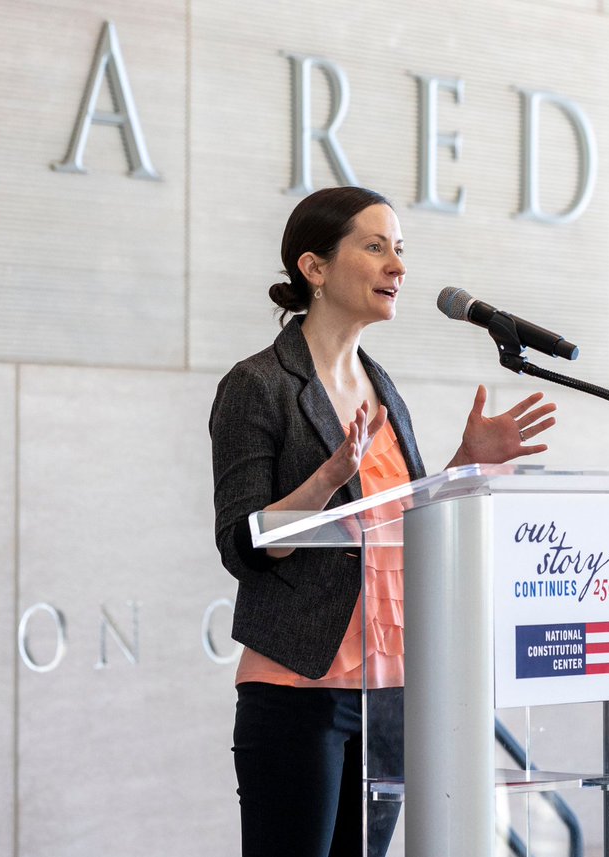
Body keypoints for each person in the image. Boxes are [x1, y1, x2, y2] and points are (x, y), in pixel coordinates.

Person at [209, 185, 557, 857]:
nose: (397, 266)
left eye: (399, 249)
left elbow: (401, 519)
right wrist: (327, 477)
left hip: (394, 687)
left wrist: (465, 462)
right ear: (314, 267)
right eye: (375, 247)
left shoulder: (381, 383)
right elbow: (241, 542)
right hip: (298, 690)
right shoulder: (261, 384)